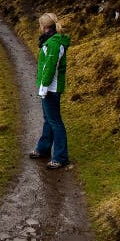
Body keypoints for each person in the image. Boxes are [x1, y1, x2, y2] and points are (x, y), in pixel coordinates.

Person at [29, 12, 71, 169]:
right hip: (49, 87)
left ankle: (61, 157)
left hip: (51, 88)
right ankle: (43, 149)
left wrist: (44, 87)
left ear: (44, 26)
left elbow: (50, 67)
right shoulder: (51, 41)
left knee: (55, 122)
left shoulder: (53, 43)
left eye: (40, 25)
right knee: (49, 119)